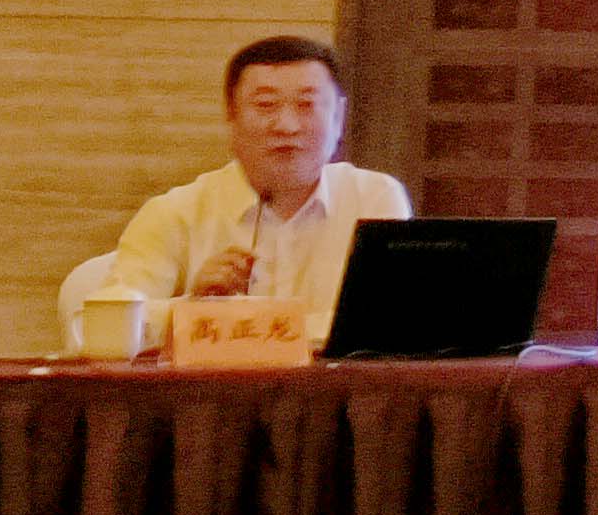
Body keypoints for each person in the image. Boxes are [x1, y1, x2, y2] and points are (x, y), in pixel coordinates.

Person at [104, 36, 411, 337]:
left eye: (306, 105)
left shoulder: (374, 199)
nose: (287, 126)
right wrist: (192, 308)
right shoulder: (175, 213)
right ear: (231, 115)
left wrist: (226, 325)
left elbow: (395, 319)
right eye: (266, 105)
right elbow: (108, 323)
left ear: (338, 117)